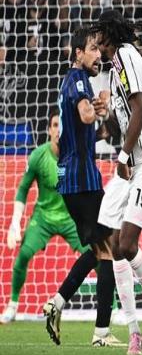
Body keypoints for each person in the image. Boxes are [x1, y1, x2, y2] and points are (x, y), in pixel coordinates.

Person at [90, 9, 142, 355]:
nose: (95, 40)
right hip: (131, 164)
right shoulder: (113, 72)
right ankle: (134, 330)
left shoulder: (126, 56)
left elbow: (140, 110)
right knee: (110, 242)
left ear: (109, 34)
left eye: (98, 34)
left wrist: (123, 156)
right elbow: (121, 123)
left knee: (126, 244)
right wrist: (103, 118)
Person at [43, 26, 123, 348]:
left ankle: (57, 302)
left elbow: (93, 131)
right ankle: (101, 332)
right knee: (110, 250)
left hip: (77, 180)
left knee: (101, 250)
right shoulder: (76, 79)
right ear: (78, 53)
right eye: (92, 49)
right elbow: (87, 116)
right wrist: (97, 106)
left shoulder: (77, 82)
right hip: (81, 180)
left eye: (98, 49)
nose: (98, 54)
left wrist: (107, 119)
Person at [1, 110, 90, 324]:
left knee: (97, 255)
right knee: (23, 255)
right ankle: (12, 305)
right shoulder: (38, 156)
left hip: (70, 218)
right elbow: (23, 189)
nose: (59, 130)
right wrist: (15, 223)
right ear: (49, 129)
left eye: (63, 125)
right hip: (43, 218)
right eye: (55, 125)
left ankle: (113, 309)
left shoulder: (78, 156)